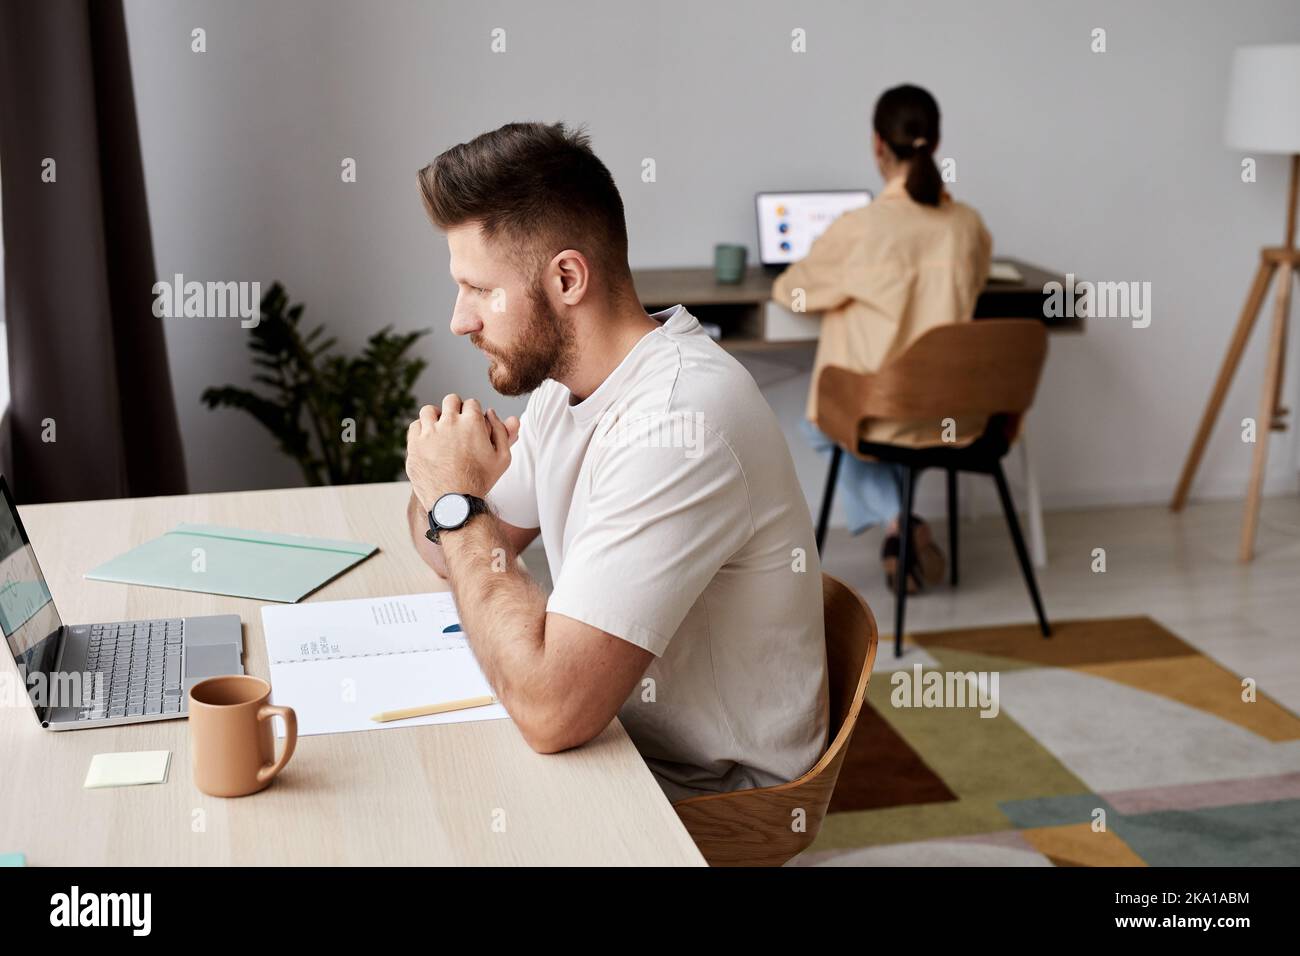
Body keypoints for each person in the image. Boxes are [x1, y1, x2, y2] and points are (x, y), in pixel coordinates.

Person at [404, 121, 828, 803]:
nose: (460, 320)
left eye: (480, 289)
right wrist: (448, 483)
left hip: (707, 792)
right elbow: (447, 553)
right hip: (620, 742)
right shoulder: (565, 389)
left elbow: (551, 712)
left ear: (567, 278)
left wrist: (456, 502)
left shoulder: (680, 423)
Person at [773, 84, 992, 593]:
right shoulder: (968, 226)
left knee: (822, 423)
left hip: (883, 413)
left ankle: (900, 522)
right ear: (935, 141)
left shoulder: (861, 228)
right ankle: (902, 530)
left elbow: (790, 291)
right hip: (955, 413)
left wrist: (848, 293)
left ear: (877, 144)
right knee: (861, 419)